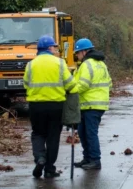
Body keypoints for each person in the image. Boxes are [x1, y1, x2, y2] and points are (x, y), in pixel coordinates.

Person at [23, 35, 76, 178]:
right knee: (53, 137)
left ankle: (40, 157)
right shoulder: (59, 63)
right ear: (49, 48)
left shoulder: (31, 64)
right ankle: (49, 169)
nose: (54, 49)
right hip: (56, 106)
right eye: (53, 47)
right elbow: (70, 84)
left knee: (38, 133)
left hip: (36, 105)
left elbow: (26, 84)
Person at [71, 38, 112, 170]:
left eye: (77, 53)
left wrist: (70, 90)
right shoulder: (101, 64)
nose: (77, 56)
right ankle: (87, 158)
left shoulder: (87, 64)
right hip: (93, 104)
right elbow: (109, 83)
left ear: (84, 51)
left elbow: (83, 85)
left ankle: (95, 160)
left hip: (91, 104)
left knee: (90, 133)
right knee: (83, 132)